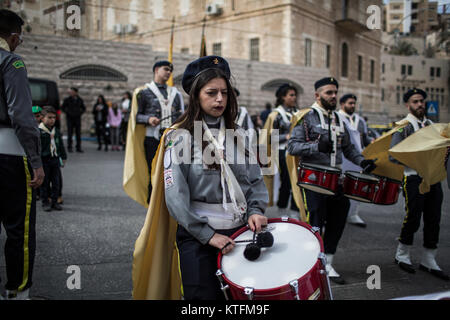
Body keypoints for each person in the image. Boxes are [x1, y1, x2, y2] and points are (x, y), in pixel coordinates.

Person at [166, 55, 269, 299]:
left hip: (239, 233)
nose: (220, 99)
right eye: (211, 93)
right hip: (198, 237)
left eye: (224, 92)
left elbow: (255, 181)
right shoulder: (179, 137)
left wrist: (255, 210)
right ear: (196, 96)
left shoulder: (242, 135)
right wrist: (208, 235)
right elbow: (175, 196)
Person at [287, 77, 376, 284]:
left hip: (337, 180)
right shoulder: (306, 117)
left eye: (335, 92)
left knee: (338, 220)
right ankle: (310, 264)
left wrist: (363, 162)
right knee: (315, 224)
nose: (333, 96)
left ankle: (327, 263)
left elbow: (348, 148)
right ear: (317, 95)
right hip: (314, 180)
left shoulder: (338, 118)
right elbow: (292, 147)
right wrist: (316, 147)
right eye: (329, 92)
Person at [0, 9, 45, 300]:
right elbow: (21, 116)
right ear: (14, 36)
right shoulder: (12, 61)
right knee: (19, 230)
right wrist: (37, 161)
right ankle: (16, 292)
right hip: (9, 153)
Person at [390, 88, 448, 280]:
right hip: (413, 177)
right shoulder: (403, 126)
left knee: (434, 218)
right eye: (415, 102)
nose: (420, 104)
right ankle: (402, 253)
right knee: (413, 216)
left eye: (422, 101)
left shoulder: (432, 125)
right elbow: (393, 154)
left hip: (433, 177)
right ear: (408, 105)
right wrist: (417, 159)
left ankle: (428, 258)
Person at [135, 60, 184, 202]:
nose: (169, 72)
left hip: (172, 138)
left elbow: (181, 114)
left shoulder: (176, 93)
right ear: (156, 70)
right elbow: (136, 116)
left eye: (170, 70)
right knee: (154, 171)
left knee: (172, 171)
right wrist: (148, 119)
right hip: (152, 137)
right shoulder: (144, 92)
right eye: (166, 69)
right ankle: (153, 202)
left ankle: (170, 200)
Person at [263, 83, 299, 215]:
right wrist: (288, 136)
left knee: (298, 182)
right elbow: (270, 136)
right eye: (291, 95)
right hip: (282, 151)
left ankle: (295, 209)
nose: (294, 97)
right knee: (287, 182)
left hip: (297, 152)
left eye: (295, 95)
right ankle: (282, 209)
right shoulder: (276, 115)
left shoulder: (297, 113)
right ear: (283, 97)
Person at [338, 94, 372, 228]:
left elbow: (365, 140)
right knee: (340, 187)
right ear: (342, 104)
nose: (352, 106)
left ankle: (353, 213)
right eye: (350, 103)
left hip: (356, 158)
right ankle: (338, 214)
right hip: (342, 157)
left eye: (354, 103)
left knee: (356, 186)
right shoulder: (336, 118)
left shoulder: (360, 121)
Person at [39, 106, 67, 212]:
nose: (52, 120)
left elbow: (60, 145)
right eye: (49, 117)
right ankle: (45, 201)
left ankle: (55, 201)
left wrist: (63, 157)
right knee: (45, 182)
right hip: (44, 160)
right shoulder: (39, 131)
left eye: (54, 118)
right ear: (42, 118)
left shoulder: (56, 131)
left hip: (55, 159)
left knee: (56, 182)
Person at [62, 87, 86, 153]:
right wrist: (68, 112)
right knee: (70, 133)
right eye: (71, 91)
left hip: (77, 119)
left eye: (72, 91)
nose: (71, 93)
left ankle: (78, 147)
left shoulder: (80, 100)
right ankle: (69, 147)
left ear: (76, 92)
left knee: (78, 133)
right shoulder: (67, 99)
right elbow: (63, 107)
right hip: (70, 118)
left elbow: (83, 108)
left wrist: (79, 113)